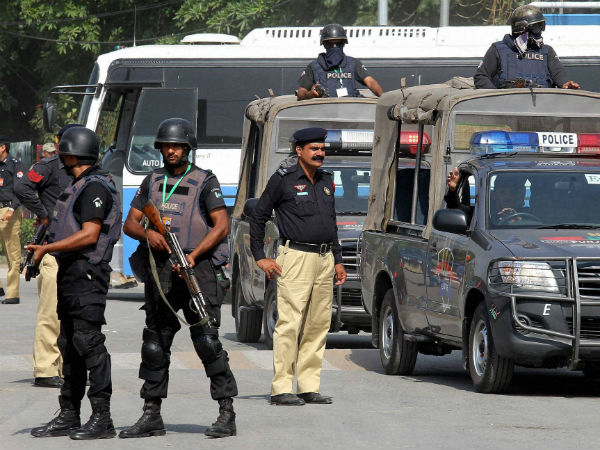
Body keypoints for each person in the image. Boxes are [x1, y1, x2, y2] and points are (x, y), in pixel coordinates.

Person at [120, 118, 237, 439]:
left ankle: (226, 412)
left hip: (196, 267)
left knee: (207, 341)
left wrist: (194, 255)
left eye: (177, 146)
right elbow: (131, 223)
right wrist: (150, 235)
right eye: (166, 146)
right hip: (161, 269)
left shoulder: (205, 181)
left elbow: (222, 226)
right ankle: (151, 414)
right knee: (155, 343)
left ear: (187, 149)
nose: (171, 151)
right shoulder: (152, 181)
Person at [29, 126, 121, 439]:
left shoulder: (95, 187)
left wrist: (48, 249)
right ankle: (69, 413)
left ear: (73, 155)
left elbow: (90, 234)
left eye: (63, 154)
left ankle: (102, 418)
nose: (60, 159)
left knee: (88, 342)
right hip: (71, 272)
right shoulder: (78, 184)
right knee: (69, 343)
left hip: (88, 273)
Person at [250, 127, 347, 406]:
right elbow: (258, 216)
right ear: (299, 151)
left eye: (322, 149)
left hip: (324, 259)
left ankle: (308, 386)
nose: (320, 153)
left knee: (318, 324)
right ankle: (281, 388)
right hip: (295, 258)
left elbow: (331, 223)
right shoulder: (283, 180)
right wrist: (260, 256)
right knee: (289, 324)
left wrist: (338, 259)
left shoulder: (326, 180)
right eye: (314, 148)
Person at [15, 127, 81, 388]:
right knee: (51, 312)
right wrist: (43, 214)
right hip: (51, 249)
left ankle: (69, 368)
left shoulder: (86, 168)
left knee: (75, 314)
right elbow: (22, 187)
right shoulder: (50, 166)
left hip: (77, 249)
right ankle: (45, 369)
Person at [474, 5, 580, 90]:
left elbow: (559, 75)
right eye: (537, 27)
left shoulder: (547, 52)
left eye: (542, 26)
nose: (541, 31)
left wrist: (565, 84)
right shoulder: (498, 50)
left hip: (541, 106)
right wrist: (498, 98)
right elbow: (481, 77)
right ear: (521, 28)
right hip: (508, 107)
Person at [296, 24, 383, 99]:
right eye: (330, 44)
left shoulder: (353, 63)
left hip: (352, 108)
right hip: (325, 109)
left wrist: (384, 99)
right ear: (324, 45)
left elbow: (370, 82)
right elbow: (301, 93)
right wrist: (310, 94)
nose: (335, 46)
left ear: (344, 44)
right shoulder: (314, 67)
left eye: (339, 43)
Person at [446, 167, 525, 225]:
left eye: (512, 193)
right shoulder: (479, 214)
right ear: (494, 195)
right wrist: (452, 191)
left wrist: (521, 221)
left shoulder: (525, 214)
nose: (507, 197)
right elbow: (454, 209)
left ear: (517, 196)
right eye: (502, 193)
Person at [0, 134, 25, 304]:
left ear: (3, 147)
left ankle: (12, 294)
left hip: (9, 211)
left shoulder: (15, 165)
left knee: (12, 254)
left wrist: (11, 209)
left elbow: (21, 189)